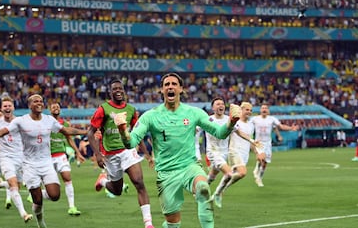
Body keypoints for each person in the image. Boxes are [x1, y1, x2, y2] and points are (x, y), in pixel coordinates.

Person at [112, 73, 241, 228]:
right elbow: (131, 142)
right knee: (173, 224)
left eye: (174, 84)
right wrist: (122, 130)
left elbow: (220, 133)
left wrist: (231, 122)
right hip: (166, 174)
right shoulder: (150, 116)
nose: (170, 87)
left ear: (181, 89)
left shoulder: (194, 113)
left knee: (203, 188)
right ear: (161, 90)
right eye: (166, 84)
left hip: (189, 167)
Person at [0, 94, 88, 228]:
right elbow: (0, 133)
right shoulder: (21, 121)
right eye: (35, 101)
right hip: (29, 165)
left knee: (55, 195)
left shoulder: (49, 120)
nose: (39, 103)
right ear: (30, 105)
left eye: (41, 101)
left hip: (46, 163)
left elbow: (67, 130)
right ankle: (40, 222)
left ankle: (37, 198)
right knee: (37, 200)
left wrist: (86, 131)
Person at [87, 78, 154, 228]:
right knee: (116, 190)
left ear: (124, 91)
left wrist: (147, 155)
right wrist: (98, 154)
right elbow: (90, 133)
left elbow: (137, 134)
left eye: (120, 89)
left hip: (128, 151)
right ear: (110, 93)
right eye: (114, 89)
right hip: (110, 155)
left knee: (139, 182)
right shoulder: (103, 109)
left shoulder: (131, 110)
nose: (118, 91)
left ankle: (148, 223)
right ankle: (103, 181)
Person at [0, 97, 33, 222]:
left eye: (9, 106)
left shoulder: (20, 121)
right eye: (5, 106)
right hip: (5, 158)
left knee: (17, 187)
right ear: (2, 108)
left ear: (13, 107)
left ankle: (0, 184)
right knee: (13, 184)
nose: (7, 108)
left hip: (20, 158)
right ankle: (24, 214)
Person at [210, 102, 264, 208]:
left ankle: (217, 193)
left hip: (244, 154)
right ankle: (219, 192)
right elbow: (234, 133)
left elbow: (250, 142)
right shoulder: (235, 121)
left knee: (234, 176)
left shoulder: (251, 125)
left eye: (251, 110)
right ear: (241, 110)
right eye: (247, 109)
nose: (249, 112)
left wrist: (257, 152)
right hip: (234, 151)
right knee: (242, 172)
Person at [49, 102, 86, 216]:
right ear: (49, 110)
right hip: (47, 157)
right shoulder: (46, 122)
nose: (56, 108)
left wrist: (78, 153)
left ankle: (72, 207)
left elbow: (69, 139)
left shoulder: (64, 124)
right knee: (53, 189)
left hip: (61, 155)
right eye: (53, 107)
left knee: (67, 178)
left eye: (58, 107)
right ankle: (36, 194)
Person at [251, 103, 298, 187]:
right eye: (262, 108)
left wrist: (291, 128)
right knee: (261, 157)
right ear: (260, 110)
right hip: (258, 142)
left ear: (268, 111)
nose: (264, 110)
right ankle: (257, 174)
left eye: (266, 108)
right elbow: (246, 124)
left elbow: (281, 127)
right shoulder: (255, 119)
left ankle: (259, 177)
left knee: (265, 163)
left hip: (268, 143)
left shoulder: (272, 119)